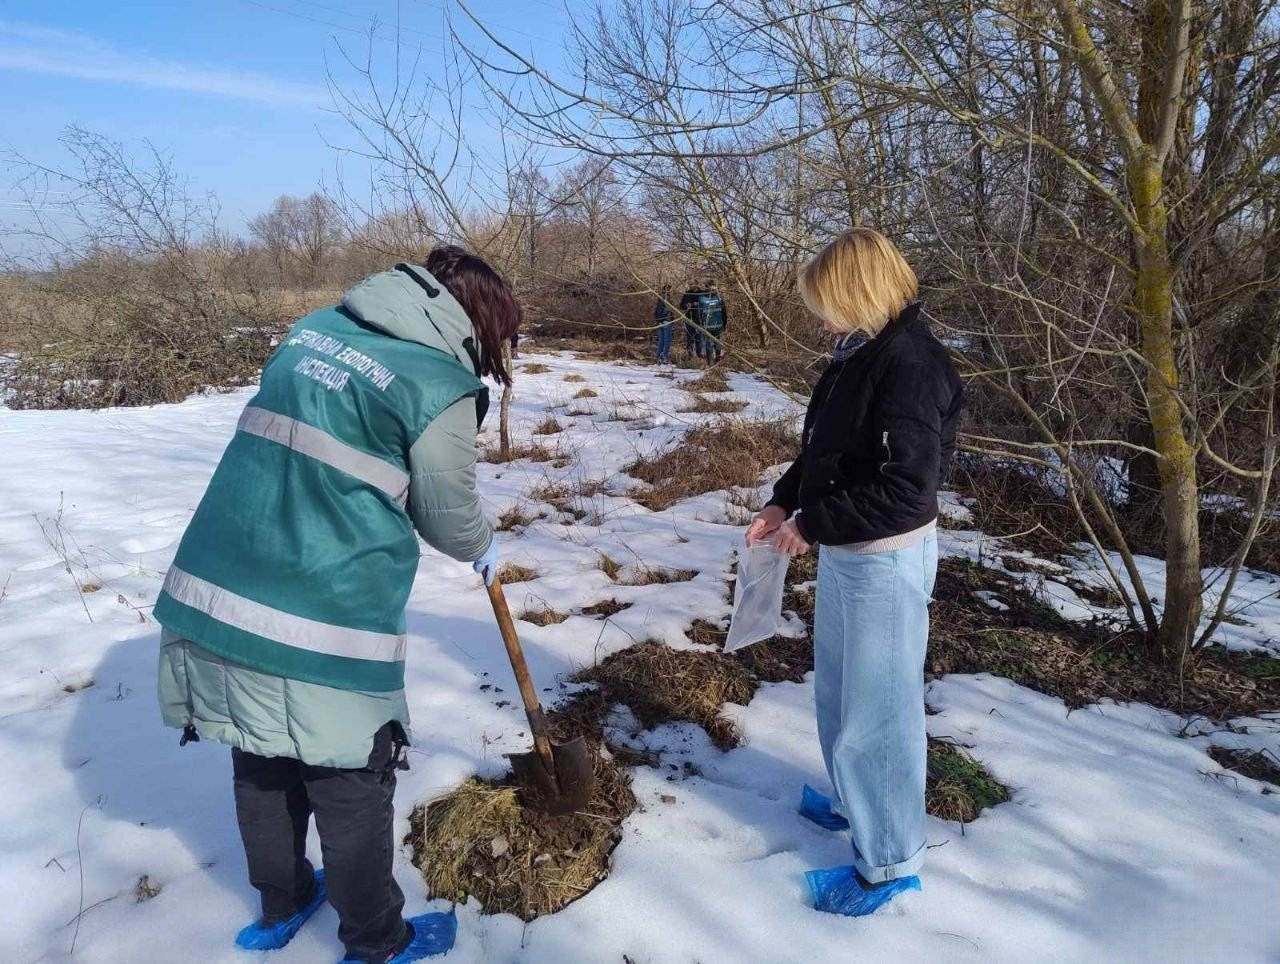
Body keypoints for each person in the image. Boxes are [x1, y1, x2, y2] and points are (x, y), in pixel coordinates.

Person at [154, 247, 521, 962]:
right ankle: (378, 942)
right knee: (351, 775)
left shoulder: (315, 328)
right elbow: (448, 519)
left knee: (261, 753)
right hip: (324, 612)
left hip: (218, 584)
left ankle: (282, 903)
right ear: (475, 319)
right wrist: (481, 542)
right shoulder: (436, 383)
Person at [745, 228, 964, 918]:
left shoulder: (909, 364)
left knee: (881, 711)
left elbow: (908, 490)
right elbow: (827, 449)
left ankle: (890, 861)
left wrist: (811, 525)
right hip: (849, 552)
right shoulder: (856, 352)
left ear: (859, 292)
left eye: (827, 302)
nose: (820, 318)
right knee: (840, 692)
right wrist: (786, 498)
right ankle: (852, 800)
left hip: (885, 559)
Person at [700, 282, 728, 364]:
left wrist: (700, 324)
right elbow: (724, 313)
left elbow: (699, 313)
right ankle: (716, 360)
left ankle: (710, 361)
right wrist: (724, 324)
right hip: (716, 325)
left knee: (710, 344)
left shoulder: (702, 298)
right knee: (717, 343)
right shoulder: (719, 298)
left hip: (709, 326)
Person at [679, 283, 707, 360]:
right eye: (690, 284)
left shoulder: (701, 293)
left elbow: (706, 304)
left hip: (699, 318)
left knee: (699, 337)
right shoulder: (687, 293)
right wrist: (688, 305)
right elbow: (681, 305)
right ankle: (690, 354)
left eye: (692, 284)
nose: (691, 285)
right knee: (690, 337)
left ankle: (699, 354)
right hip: (689, 318)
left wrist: (698, 304)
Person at [654, 287, 676, 364]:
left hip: (660, 321)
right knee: (667, 340)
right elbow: (669, 309)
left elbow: (656, 311)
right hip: (666, 321)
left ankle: (658, 356)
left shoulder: (659, 298)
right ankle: (664, 356)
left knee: (661, 339)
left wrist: (658, 321)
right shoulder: (666, 298)